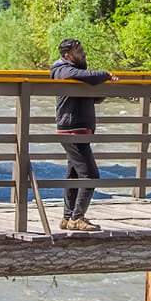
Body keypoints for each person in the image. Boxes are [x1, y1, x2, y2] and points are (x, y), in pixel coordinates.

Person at [51, 38, 112, 231]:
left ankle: (68, 217)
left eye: (82, 49)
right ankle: (77, 217)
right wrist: (105, 75)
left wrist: (102, 85)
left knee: (74, 175)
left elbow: (93, 97)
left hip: (78, 128)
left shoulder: (79, 73)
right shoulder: (62, 69)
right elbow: (78, 75)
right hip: (72, 128)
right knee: (90, 175)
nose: (83, 53)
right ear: (67, 55)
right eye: (79, 51)